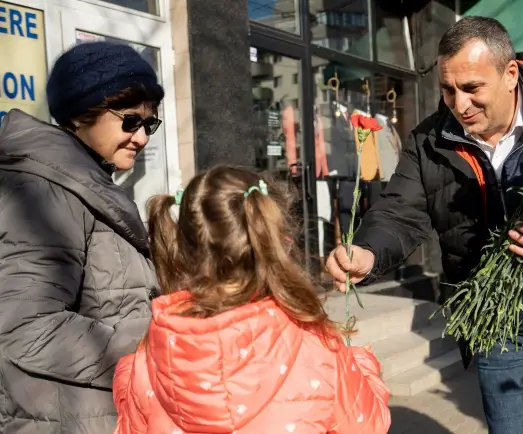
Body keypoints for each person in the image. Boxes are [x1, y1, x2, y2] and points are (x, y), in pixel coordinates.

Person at [326, 16, 523, 434]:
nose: (459, 105)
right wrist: (367, 252)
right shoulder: (429, 141)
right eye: (448, 89)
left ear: (510, 74)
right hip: (500, 326)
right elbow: (398, 213)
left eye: (472, 88)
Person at [112, 166, 391, 434]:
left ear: (183, 249)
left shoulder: (149, 359)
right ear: (275, 241)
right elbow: (368, 426)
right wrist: (362, 365)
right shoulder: (318, 350)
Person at [0, 41, 163, 433]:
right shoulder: (43, 192)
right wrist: (153, 351)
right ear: (80, 115)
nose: (142, 138)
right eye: (129, 121)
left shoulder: (85, 184)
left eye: (149, 124)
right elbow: (25, 327)